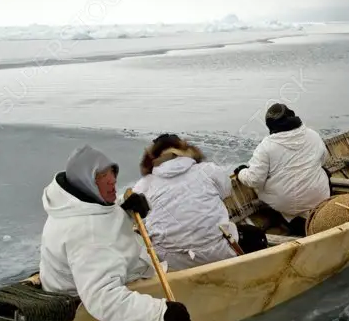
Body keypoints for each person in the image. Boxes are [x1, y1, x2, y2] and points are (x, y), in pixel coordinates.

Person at [39, 144, 191, 321]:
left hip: (94, 277)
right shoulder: (88, 234)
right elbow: (103, 298)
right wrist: (160, 313)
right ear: (86, 181)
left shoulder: (73, 204)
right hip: (90, 303)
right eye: (100, 176)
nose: (111, 180)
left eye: (111, 172)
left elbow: (101, 216)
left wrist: (125, 208)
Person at [132, 134, 240, 271]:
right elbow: (227, 191)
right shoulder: (207, 170)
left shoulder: (142, 186)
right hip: (220, 254)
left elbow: (132, 215)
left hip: (174, 265)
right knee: (253, 235)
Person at [234, 103, 331, 234]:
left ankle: (289, 221)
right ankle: (312, 216)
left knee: (266, 186)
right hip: (319, 196)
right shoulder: (313, 135)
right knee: (324, 172)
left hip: (285, 203)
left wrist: (241, 172)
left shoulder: (266, 146)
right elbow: (324, 159)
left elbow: (254, 180)